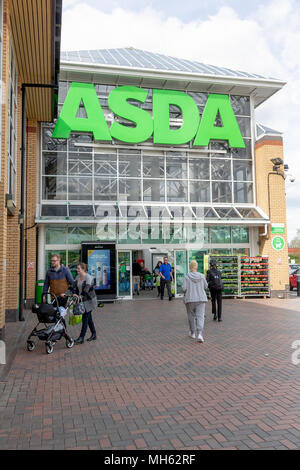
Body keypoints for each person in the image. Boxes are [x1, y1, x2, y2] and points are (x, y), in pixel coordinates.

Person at [182, 260, 208, 343]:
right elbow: (206, 286)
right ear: (196, 267)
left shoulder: (187, 276)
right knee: (200, 316)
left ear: (190, 267)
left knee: (191, 316)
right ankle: (200, 334)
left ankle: (192, 332)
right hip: (201, 299)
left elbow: (184, 288)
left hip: (190, 299)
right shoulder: (202, 276)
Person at [74, 263, 98, 344]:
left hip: (89, 300)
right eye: (77, 268)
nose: (77, 270)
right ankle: (94, 334)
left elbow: (86, 289)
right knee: (89, 318)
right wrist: (69, 293)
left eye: (78, 268)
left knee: (85, 318)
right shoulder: (77, 277)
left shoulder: (88, 277)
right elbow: (73, 287)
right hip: (82, 299)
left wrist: (80, 296)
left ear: (83, 269)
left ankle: (81, 337)